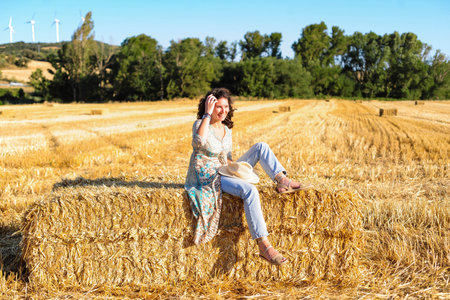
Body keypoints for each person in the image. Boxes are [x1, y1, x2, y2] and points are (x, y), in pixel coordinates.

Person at [184, 88, 312, 265]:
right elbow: (198, 143)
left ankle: (282, 180)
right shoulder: (200, 124)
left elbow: (227, 158)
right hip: (209, 175)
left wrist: (238, 170)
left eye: (226, 107)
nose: (223, 111)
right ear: (210, 106)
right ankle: (264, 245)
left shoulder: (226, 130)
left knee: (261, 147)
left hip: (224, 170)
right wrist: (207, 115)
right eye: (218, 107)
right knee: (250, 190)